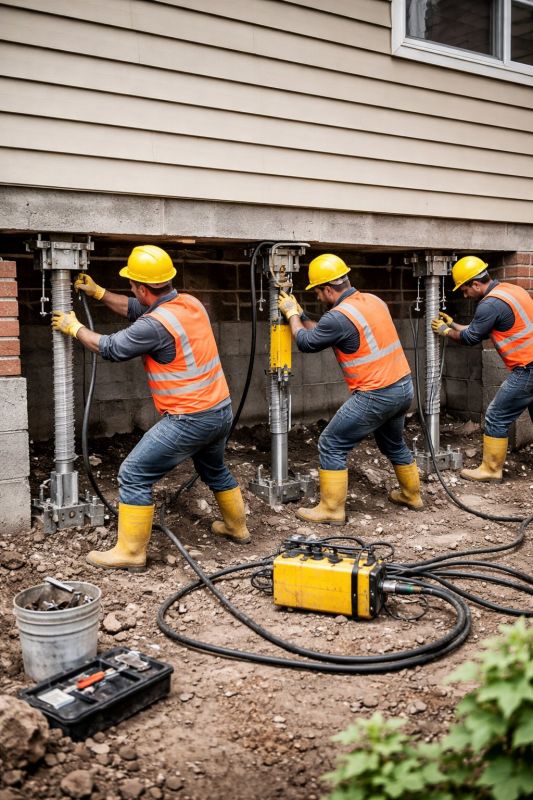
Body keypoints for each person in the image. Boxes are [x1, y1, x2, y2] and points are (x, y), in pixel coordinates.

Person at [51, 244, 250, 571]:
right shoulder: (188, 303)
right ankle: (236, 527)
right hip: (219, 411)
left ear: (144, 288)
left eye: (133, 284)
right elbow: (137, 308)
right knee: (213, 469)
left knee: (133, 474)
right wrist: (99, 293)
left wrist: (74, 328)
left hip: (190, 418)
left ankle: (130, 553)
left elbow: (112, 348)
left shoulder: (155, 325)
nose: (131, 289)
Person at [277, 253, 423, 524]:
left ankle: (332, 510)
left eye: (318, 293)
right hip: (402, 388)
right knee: (392, 443)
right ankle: (411, 495)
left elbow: (308, 342)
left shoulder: (338, 316)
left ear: (329, 289)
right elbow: (328, 330)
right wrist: (302, 314)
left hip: (375, 394)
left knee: (331, 443)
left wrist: (291, 314)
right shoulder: (371, 301)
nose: (319, 298)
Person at [431, 255, 533, 483]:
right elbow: (483, 328)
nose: (465, 295)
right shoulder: (510, 291)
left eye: (465, 290)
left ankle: (491, 470)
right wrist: (454, 324)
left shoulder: (489, 303)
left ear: (476, 284)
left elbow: (471, 337)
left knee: (496, 415)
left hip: (528, 369)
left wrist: (446, 332)